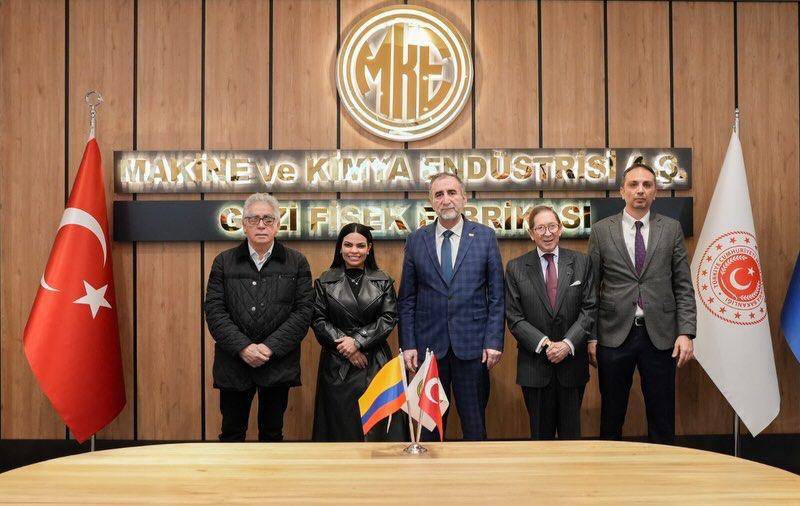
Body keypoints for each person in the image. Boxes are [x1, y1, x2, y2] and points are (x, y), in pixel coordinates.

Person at [587, 158, 696, 444]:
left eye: (647, 185)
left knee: (662, 416)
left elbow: (683, 285)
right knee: (612, 415)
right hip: (613, 335)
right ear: (622, 191)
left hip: (660, 335)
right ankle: (610, 467)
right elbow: (591, 289)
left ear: (655, 192)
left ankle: (663, 469)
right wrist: (591, 336)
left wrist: (686, 332)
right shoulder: (601, 231)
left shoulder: (671, 229)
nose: (640, 190)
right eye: (633, 184)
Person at [398, 171, 505, 441]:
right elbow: (407, 298)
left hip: (473, 348)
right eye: (439, 194)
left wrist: (494, 341)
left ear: (464, 198)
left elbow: (497, 295)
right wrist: (408, 344)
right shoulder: (416, 240)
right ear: (431, 202)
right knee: (429, 429)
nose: (446, 199)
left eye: (452, 193)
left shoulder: (485, 237)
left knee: (474, 426)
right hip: (429, 350)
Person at [205, 193, 313, 441]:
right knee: (231, 434)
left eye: (267, 219)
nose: (261, 225)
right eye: (254, 219)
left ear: (277, 224)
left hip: (277, 363)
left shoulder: (297, 262)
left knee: (272, 434)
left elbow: (304, 311)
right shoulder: (224, 262)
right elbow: (214, 310)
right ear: (244, 225)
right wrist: (243, 347)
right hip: (234, 362)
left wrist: (268, 348)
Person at [505, 205, 597, 440]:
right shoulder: (516, 268)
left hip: (572, 366)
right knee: (540, 440)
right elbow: (514, 317)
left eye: (552, 226)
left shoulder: (581, 262)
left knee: (571, 440)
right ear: (531, 233)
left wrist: (567, 344)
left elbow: (589, 309)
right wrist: (546, 344)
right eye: (540, 228)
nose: (547, 233)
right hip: (535, 367)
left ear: (561, 228)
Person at [311, 223, 405, 442]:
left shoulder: (383, 280)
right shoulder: (324, 281)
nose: (354, 250)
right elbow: (317, 320)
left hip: (375, 361)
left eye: (360, 246)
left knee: (377, 426)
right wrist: (348, 347)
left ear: (369, 248)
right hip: (338, 363)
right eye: (348, 245)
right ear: (340, 248)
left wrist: (358, 341)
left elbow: (389, 317)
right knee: (339, 427)